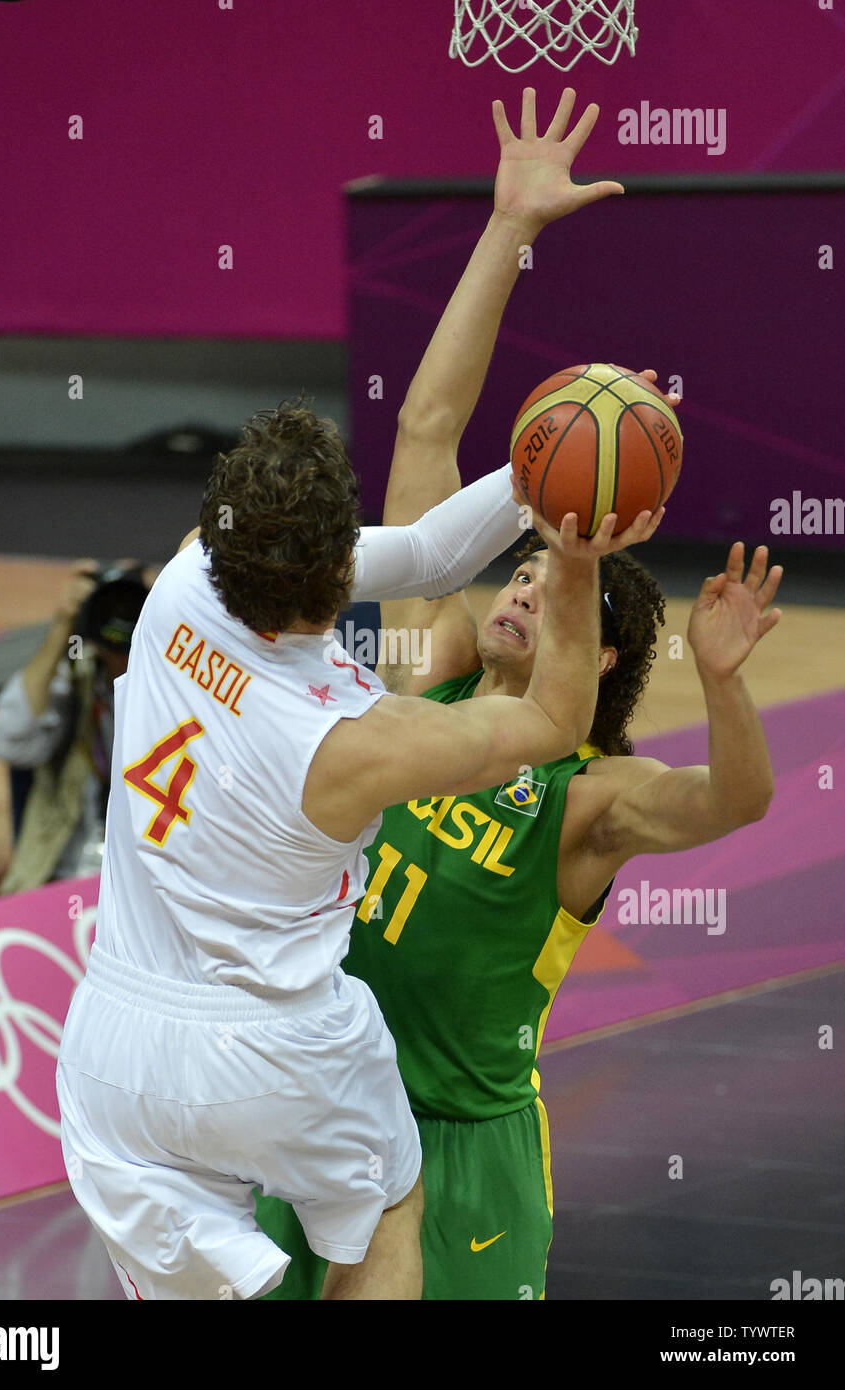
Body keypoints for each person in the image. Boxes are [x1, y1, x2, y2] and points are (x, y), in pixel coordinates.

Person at [254, 87, 781, 1300]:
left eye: (551, 588)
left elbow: (737, 801)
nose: (521, 589)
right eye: (522, 566)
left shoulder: (588, 798)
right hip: (325, 1109)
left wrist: (716, 680)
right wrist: (508, 231)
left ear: (595, 659)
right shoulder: (427, 679)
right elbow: (429, 430)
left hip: (466, 1156)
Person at [54, 366, 662, 1299]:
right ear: (337, 563)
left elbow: (419, 550)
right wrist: (575, 542)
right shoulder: (355, 742)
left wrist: (535, 474)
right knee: (389, 1208)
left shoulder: (183, 576)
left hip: (111, 1048)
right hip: (270, 1051)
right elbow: (547, 720)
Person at [0, 561, 151, 891]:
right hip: (72, 877)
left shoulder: (171, 690)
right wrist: (64, 622)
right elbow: (9, 740)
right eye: (109, 613)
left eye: (131, 613)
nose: (122, 632)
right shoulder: (77, 683)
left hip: (146, 879)